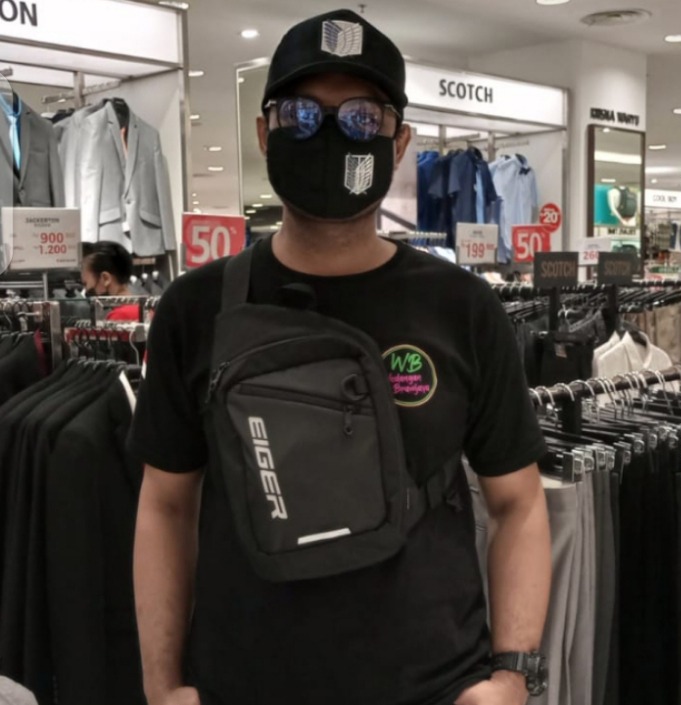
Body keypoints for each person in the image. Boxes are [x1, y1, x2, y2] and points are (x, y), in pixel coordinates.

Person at [130, 9, 552, 705]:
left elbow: (520, 503)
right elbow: (165, 506)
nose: (326, 134)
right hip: (241, 686)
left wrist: (512, 675)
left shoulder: (463, 306)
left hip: (431, 686)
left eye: (361, 117)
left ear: (399, 140)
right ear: (263, 132)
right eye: (300, 115)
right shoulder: (194, 307)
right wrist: (161, 685)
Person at [81, 241, 140, 321]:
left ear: (105, 278)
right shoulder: (143, 309)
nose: (86, 290)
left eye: (86, 284)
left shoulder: (120, 316)